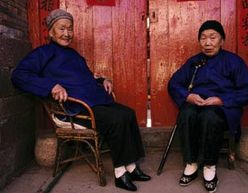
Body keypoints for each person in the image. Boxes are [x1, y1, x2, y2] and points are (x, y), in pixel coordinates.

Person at [11, 9, 151, 192]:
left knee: (127, 113)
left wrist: (103, 81)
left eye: (70, 29)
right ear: (51, 32)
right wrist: (51, 86)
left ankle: (131, 167)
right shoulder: (42, 53)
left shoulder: (74, 55)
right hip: (74, 108)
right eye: (61, 29)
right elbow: (19, 75)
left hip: (93, 102)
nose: (67, 33)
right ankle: (120, 173)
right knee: (116, 119)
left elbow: (87, 78)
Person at [168, 20, 248, 193]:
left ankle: (209, 166)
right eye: (203, 38)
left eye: (212, 37)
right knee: (186, 113)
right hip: (198, 104)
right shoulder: (194, 62)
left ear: (222, 40)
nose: (208, 43)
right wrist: (188, 96)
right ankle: (191, 163)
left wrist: (222, 100)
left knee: (210, 116)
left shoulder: (233, 61)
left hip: (222, 107)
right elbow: (174, 83)